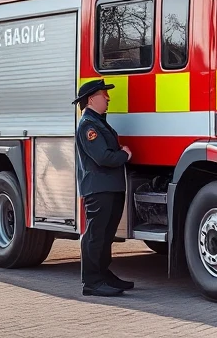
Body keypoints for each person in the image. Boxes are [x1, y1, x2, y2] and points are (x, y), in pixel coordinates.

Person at [73, 79, 135, 297]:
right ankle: (92, 282)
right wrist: (124, 155)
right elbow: (102, 156)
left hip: (110, 187)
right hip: (99, 189)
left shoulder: (99, 122)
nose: (108, 98)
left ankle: (103, 274)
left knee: (106, 235)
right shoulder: (88, 125)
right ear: (91, 99)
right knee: (96, 235)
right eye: (103, 94)